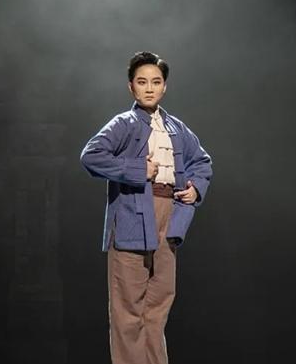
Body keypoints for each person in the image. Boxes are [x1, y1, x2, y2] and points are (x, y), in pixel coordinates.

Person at [80, 51, 213, 364]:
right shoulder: (123, 123)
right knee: (128, 310)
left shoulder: (176, 128)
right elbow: (91, 156)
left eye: (156, 82)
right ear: (131, 87)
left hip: (169, 214)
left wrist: (195, 188)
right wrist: (138, 169)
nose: (149, 88)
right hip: (133, 214)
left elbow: (202, 161)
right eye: (142, 82)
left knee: (158, 305)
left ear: (164, 86)